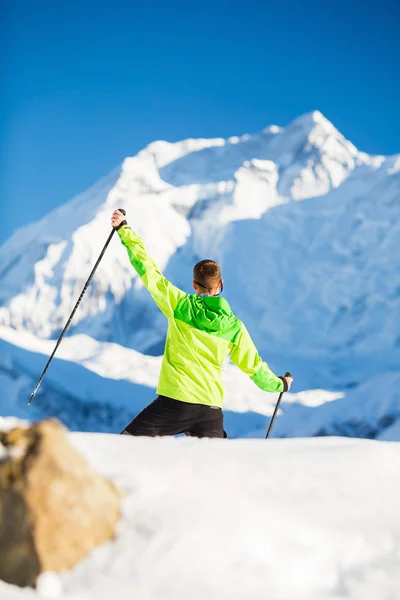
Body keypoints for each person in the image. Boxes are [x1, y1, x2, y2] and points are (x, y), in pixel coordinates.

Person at [112, 209, 293, 438]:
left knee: (123, 446)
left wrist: (124, 229)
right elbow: (255, 368)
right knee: (215, 470)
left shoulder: (178, 305)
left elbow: (147, 268)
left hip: (173, 403)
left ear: (194, 285)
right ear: (220, 284)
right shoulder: (234, 326)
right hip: (209, 410)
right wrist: (280, 385)